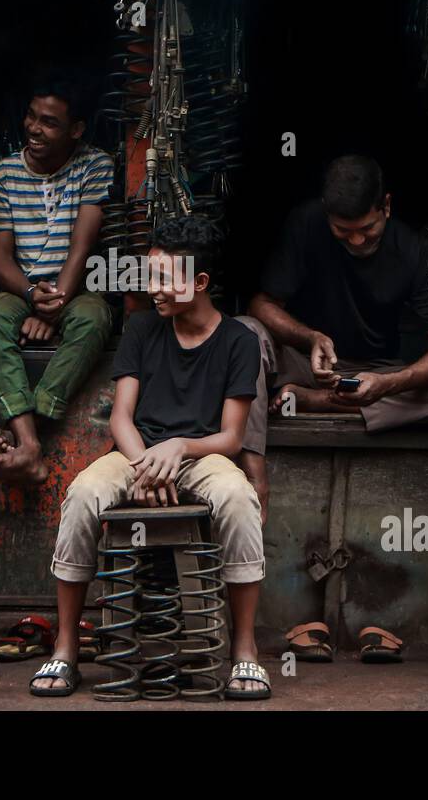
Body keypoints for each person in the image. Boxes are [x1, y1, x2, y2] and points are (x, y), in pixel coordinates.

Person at [29, 215, 270, 699]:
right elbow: (121, 417)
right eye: (150, 275)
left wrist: (179, 448)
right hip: (135, 452)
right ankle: (67, 647)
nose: (152, 287)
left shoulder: (239, 341)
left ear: (199, 282)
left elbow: (230, 437)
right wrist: (145, 464)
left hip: (201, 455)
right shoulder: (141, 328)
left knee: (239, 499)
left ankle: (245, 653)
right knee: (82, 495)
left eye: (164, 278)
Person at [240, 154, 428, 516]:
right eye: (343, 231)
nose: (357, 240)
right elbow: (260, 305)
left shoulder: (416, 252)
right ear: (326, 213)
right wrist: (310, 337)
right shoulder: (305, 223)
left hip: (379, 373)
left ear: (386, 206)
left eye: (367, 228)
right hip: (306, 365)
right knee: (243, 334)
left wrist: (389, 383)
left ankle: (317, 401)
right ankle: (253, 475)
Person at [0, 73, 114, 484]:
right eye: (32, 117)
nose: (34, 129)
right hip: (20, 289)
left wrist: (55, 308)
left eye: (49, 122)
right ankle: (31, 444)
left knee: (94, 318)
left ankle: (26, 430)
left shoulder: (95, 165)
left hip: (78, 288)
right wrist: (33, 294)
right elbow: (0, 261)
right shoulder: (2, 175)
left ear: (76, 130)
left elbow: (82, 246)